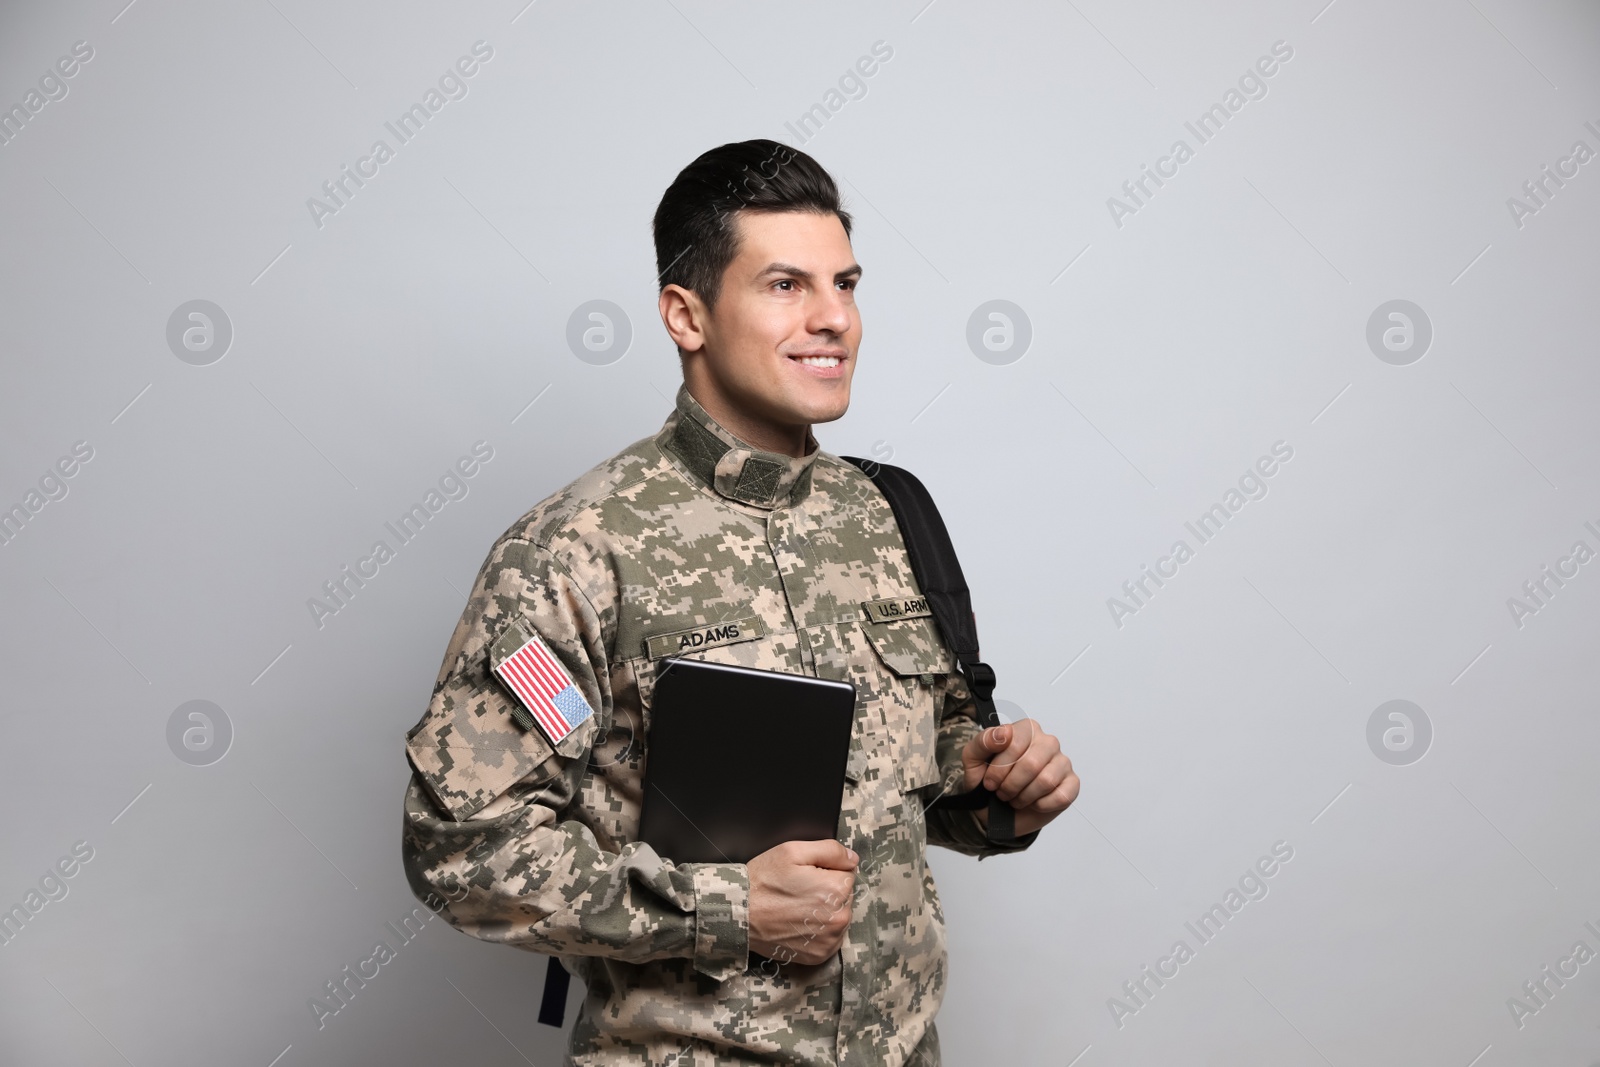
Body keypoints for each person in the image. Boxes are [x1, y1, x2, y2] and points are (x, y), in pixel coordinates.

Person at [400, 138, 1080, 1066]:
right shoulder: (576, 548)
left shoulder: (889, 512)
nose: (835, 318)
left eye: (846, 283)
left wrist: (999, 786)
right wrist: (727, 909)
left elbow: (919, 773)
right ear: (686, 314)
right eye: (786, 286)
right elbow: (461, 849)